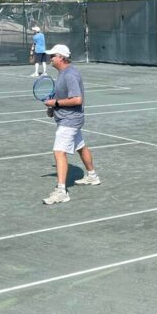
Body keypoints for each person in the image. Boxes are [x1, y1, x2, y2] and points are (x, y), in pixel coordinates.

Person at [41, 44, 100, 205]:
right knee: (80, 146)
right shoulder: (62, 73)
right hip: (69, 118)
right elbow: (64, 97)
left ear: (61, 57)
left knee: (59, 152)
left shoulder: (69, 75)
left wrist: (56, 103)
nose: (50, 58)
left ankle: (61, 191)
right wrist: (54, 108)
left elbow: (77, 99)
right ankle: (92, 176)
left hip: (70, 120)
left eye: (53, 56)